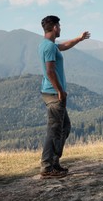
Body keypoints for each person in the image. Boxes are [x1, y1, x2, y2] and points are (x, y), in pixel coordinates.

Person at [38, 15, 90, 178]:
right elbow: (50, 71)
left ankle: (54, 162)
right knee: (54, 130)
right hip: (54, 94)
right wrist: (60, 90)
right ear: (54, 27)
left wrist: (79, 39)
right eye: (59, 26)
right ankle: (47, 167)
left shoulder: (50, 45)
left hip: (52, 93)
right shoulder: (48, 47)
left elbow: (64, 46)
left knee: (64, 127)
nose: (60, 29)